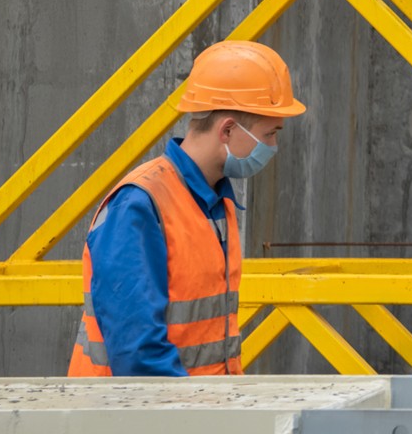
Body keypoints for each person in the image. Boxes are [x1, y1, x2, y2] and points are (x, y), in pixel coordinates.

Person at [68, 41, 306, 376]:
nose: (273, 147)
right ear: (226, 130)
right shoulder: (139, 205)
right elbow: (138, 355)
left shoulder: (215, 202)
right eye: (269, 134)